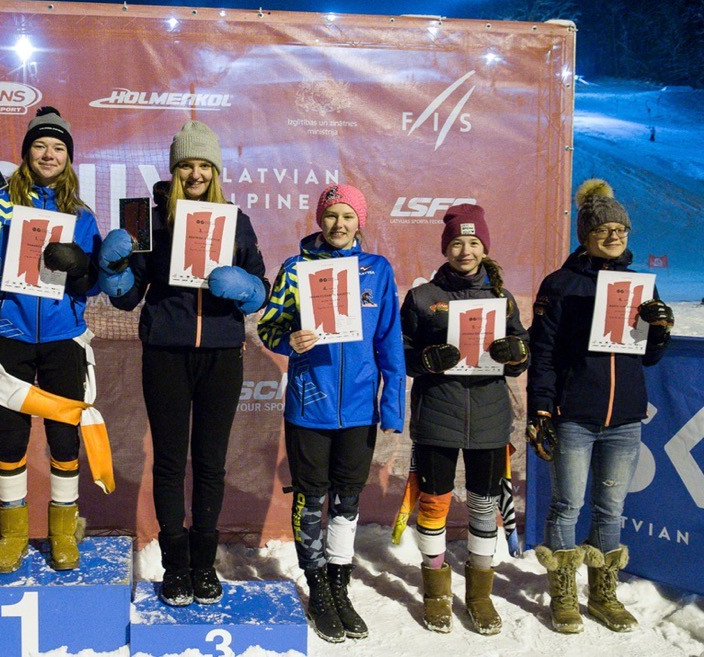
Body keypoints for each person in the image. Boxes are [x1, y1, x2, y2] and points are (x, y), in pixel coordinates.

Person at [97, 120, 269, 606]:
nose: (195, 174)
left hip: (222, 357)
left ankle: (204, 564)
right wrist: (112, 269)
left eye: (204, 166)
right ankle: (175, 565)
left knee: (211, 463)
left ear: (216, 171)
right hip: (166, 355)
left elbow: (261, 289)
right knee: (170, 462)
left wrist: (245, 287)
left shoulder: (236, 220)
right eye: (186, 166)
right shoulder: (148, 221)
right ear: (174, 171)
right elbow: (127, 298)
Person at [0, 106, 103, 574]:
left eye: (58, 147)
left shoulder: (82, 216)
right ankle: (12, 531)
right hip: (7, 338)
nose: (49, 154)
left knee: (64, 439)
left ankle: (63, 531)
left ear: (68, 157)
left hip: (63, 340)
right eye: (40, 145)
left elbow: (95, 284)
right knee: (10, 439)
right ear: (26, 152)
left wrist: (83, 267)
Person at [256, 185, 405, 643]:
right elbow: (269, 327)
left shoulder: (377, 270)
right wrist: (289, 340)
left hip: (359, 409)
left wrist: (392, 405)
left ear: (360, 222)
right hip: (310, 406)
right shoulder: (296, 268)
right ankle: (317, 585)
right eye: (331, 215)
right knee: (310, 498)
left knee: (347, 499)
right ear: (320, 220)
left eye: (348, 216)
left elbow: (390, 342)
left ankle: (340, 585)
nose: (339, 224)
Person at [528, 178, 673, 634]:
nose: (614, 236)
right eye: (604, 229)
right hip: (575, 416)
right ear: (585, 234)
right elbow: (543, 354)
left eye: (621, 230)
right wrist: (541, 411)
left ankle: (604, 595)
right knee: (568, 505)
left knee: (611, 509)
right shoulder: (560, 284)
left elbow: (648, 356)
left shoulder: (639, 286)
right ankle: (564, 596)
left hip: (625, 419)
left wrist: (659, 329)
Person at [400, 203, 529, 635]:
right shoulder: (423, 297)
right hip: (437, 414)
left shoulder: (501, 299)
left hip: (489, 418)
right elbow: (401, 353)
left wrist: (516, 355)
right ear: (445, 248)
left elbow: (521, 353)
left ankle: (479, 594)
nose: (465, 251)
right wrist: (425, 360)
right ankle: (436, 591)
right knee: (434, 502)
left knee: (484, 504)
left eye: (474, 242)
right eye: (457, 242)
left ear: (484, 248)